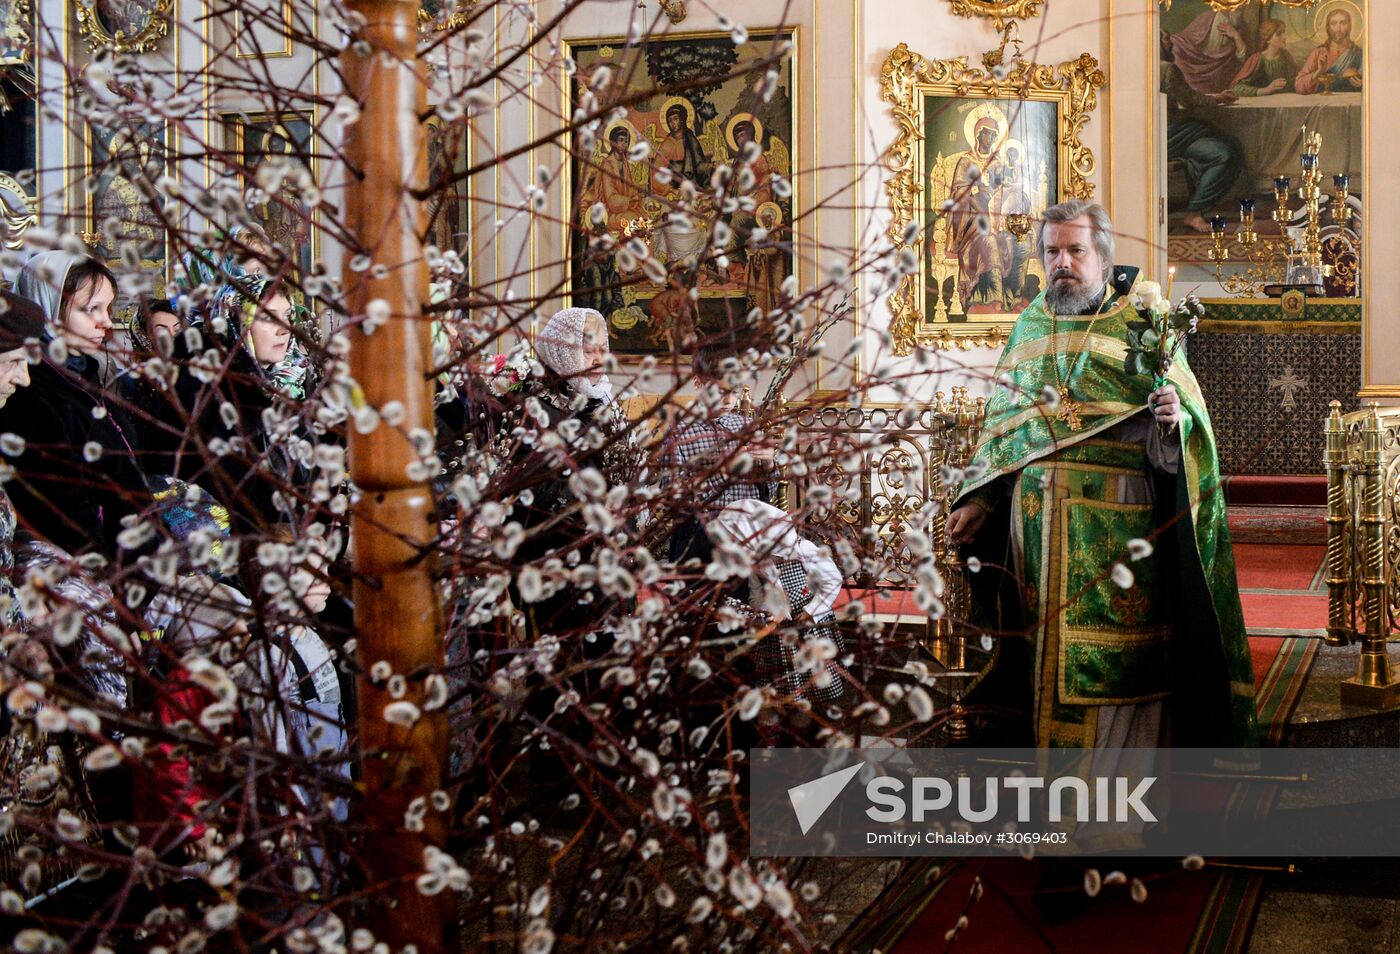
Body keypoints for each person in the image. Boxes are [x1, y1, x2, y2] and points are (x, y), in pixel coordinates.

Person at [945, 199, 1257, 751]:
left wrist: (1171, 423)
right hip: (1038, 536)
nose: (1061, 261)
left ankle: (1124, 808)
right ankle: (1055, 803)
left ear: (1103, 256)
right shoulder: (1029, 324)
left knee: (1117, 663)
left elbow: (1190, 434)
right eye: (1051, 251)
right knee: (1044, 662)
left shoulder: (1143, 320)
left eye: (1075, 250)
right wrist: (984, 503)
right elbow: (1005, 433)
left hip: (1118, 524)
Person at [0, 251, 154, 562]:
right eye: (90, 309)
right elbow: (61, 506)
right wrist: (113, 576)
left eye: (108, 308)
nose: (107, 322)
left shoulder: (80, 373)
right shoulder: (26, 391)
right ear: (49, 308)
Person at [157, 274, 309, 535]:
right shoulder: (207, 391)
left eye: (288, 317)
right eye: (267, 317)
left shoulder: (288, 383)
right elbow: (235, 495)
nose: (284, 329)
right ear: (235, 322)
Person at [1162, 36, 1243, 234]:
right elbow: (1190, 101)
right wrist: (1218, 101)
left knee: (1222, 147)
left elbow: (1186, 96)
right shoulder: (1166, 68)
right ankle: (1195, 212)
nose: (1171, 43)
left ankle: (1195, 208)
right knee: (1227, 151)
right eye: (1165, 39)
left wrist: (1215, 97)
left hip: (1167, 136)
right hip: (1172, 136)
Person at [1296, 7, 1362, 94]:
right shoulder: (1318, 53)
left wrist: (1362, 84)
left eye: (1343, 23)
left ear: (1349, 26)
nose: (1338, 28)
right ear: (1328, 27)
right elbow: (1299, 86)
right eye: (1334, 23)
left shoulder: (1359, 54)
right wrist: (1318, 72)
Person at [1231, 19, 1298, 97]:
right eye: (1279, 34)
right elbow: (1236, 88)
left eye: (1284, 32)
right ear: (1268, 39)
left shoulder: (1286, 56)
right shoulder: (1256, 59)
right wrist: (1266, 90)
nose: (1284, 37)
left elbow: (1295, 81)